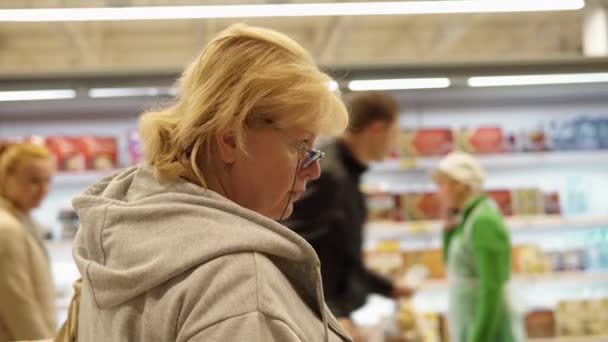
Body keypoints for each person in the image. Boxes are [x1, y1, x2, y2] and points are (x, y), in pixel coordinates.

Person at [66, 24, 352, 341]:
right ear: (231, 140)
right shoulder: (240, 287)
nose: (314, 171)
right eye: (302, 147)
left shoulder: (118, 236)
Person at [283, 91, 413, 328]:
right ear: (377, 128)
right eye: (395, 133)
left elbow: (341, 254)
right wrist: (329, 311)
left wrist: (388, 288)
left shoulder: (346, 173)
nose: (395, 142)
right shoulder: (329, 175)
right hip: (320, 318)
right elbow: (294, 248)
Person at [432, 151, 525, 342]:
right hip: (471, 326)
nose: (438, 193)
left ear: (459, 185)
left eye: (441, 185)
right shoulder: (467, 220)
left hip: (488, 333)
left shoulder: (484, 221)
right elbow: (454, 268)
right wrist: (448, 230)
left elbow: (492, 289)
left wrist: (479, 338)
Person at [0, 142, 56, 341]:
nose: (43, 189)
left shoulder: (21, 220)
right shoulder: (6, 229)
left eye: (48, 180)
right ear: (5, 178)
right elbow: (20, 307)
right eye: (33, 181)